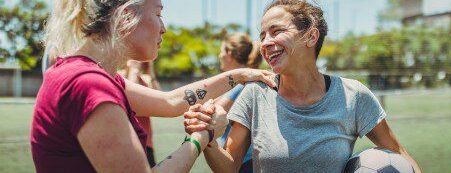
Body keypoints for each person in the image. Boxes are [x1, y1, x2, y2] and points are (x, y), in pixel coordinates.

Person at [30, 0, 276, 173]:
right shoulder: (88, 84)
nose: (164, 27)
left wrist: (239, 75)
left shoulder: (93, 75)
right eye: (158, 13)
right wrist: (201, 137)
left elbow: (170, 102)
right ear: (126, 16)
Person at [183, 0, 422, 173]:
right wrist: (209, 140)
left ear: (310, 37)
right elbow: (229, 167)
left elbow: (398, 154)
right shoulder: (255, 93)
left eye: (276, 31)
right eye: (263, 35)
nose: (266, 42)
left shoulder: (354, 95)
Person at [216, 32, 263, 173]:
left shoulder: (243, 84)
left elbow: (213, 110)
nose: (219, 55)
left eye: (221, 51)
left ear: (229, 53)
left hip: (244, 164)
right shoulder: (244, 82)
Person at [119, 60, 160, 167]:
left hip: (146, 141)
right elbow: (128, 101)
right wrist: (132, 70)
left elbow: (159, 100)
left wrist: (150, 71)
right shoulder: (119, 76)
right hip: (126, 140)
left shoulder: (146, 79)